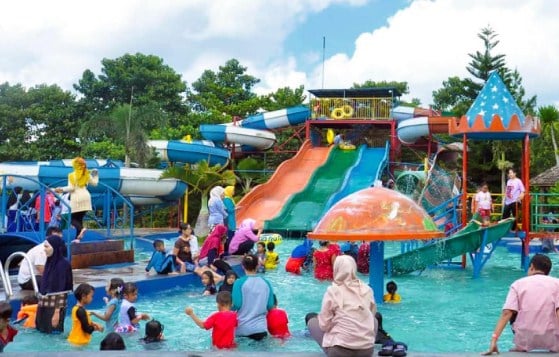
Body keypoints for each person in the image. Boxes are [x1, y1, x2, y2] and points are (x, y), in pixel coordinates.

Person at [483, 254, 559, 354]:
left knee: (513, 310)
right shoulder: (557, 283)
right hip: (553, 339)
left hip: (525, 339)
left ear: (531, 267)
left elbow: (507, 313)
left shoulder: (518, 284)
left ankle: (521, 346)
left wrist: (494, 340)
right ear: (548, 271)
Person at [307, 255, 377, 357]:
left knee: (312, 322)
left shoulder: (333, 291)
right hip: (366, 350)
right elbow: (372, 315)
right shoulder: (367, 290)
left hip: (340, 351)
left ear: (337, 269)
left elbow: (324, 325)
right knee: (373, 320)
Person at [36, 234, 73, 334]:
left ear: (55, 247)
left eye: (47, 246)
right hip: (44, 304)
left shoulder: (63, 265)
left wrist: (57, 313)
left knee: (53, 334)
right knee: (41, 332)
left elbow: (62, 290)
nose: (45, 249)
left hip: (54, 307)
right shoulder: (49, 262)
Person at [232, 254, 274, 340]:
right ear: (257, 265)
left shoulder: (238, 283)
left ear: (243, 266)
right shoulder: (266, 283)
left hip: (242, 329)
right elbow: (270, 305)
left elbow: (236, 304)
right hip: (261, 329)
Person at [55, 157, 99, 241]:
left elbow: (71, 188)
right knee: (79, 219)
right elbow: (95, 183)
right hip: (86, 197)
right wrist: (96, 174)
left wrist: (61, 189)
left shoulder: (72, 175)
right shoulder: (86, 174)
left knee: (72, 219)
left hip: (77, 198)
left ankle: (81, 229)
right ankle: (78, 238)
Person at [17, 226, 62, 291]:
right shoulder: (42, 250)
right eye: (55, 238)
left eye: (60, 238)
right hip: (27, 280)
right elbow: (42, 270)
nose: (58, 240)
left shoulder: (55, 248)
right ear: (47, 238)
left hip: (38, 276)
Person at [223, 185, 237, 254]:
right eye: (233, 190)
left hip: (231, 217)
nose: (234, 192)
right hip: (229, 218)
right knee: (229, 234)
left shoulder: (230, 199)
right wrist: (236, 208)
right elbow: (229, 209)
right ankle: (227, 251)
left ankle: (229, 250)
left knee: (231, 233)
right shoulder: (227, 199)